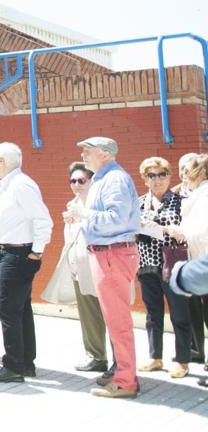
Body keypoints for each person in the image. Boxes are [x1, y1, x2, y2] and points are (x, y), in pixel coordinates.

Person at [71, 136, 141, 399]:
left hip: (113, 254)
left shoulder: (114, 179)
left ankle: (125, 382)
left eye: (87, 150)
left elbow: (116, 218)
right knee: (115, 320)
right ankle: (125, 375)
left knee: (118, 322)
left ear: (105, 153)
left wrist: (84, 215)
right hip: (107, 254)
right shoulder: (103, 177)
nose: (83, 154)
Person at [0, 142, 51, 383]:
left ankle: (13, 366)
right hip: (6, 252)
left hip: (17, 255)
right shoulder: (9, 185)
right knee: (20, 309)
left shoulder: (21, 185)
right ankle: (25, 362)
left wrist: (36, 253)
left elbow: (43, 220)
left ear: (2, 161)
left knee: (8, 310)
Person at [51, 162, 111, 375]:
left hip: (101, 267)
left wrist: (80, 217)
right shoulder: (71, 205)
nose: (76, 185)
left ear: (91, 181)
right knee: (88, 314)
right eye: (72, 181)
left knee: (110, 314)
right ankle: (96, 356)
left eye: (81, 180)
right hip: (80, 268)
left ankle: (119, 360)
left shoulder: (98, 205)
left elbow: (103, 230)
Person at [135, 155, 192, 378]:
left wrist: (166, 229)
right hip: (147, 265)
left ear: (169, 177)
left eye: (162, 174)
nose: (157, 180)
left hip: (174, 266)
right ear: (145, 179)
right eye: (152, 175)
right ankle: (155, 357)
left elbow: (188, 233)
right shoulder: (139, 203)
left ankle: (183, 360)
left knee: (179, 314)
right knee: (153, 314)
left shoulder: (181, 202)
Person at [169, 153, 208, 386]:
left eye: (189, 170)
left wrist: (181, 233)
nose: (184, 175)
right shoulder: (197, 194)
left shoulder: (204, 195)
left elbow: (203, 232)